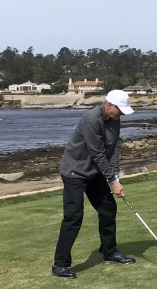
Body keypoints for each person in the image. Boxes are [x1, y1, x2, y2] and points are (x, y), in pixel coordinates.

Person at [52, 89, 136, 279]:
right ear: (109, 105)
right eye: (120, 110)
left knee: (108, 209)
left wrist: (114, 177)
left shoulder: (115, 119)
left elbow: (113, 149)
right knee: (73, 217)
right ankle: (60, 264)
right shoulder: (92, 119)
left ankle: (109, 251)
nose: (122, 113)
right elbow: (97, 153)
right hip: (75, 173)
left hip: (95, 172)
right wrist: (112, 181)